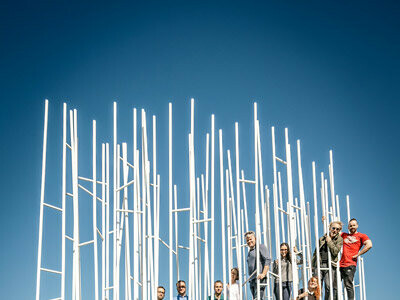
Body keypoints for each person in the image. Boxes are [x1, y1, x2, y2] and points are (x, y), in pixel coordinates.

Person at [339, 218, 372, 300]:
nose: (352, 227)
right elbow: (334, 231)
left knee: (348, 284)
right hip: (340, 264)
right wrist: (324, 220)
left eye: (354, 225)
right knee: (335, 285)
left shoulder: (361, 236)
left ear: (357, 226)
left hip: (350, 264)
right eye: (350, 225)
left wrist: (358, 254)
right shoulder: (344, 235)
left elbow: (369, 244)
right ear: (348, 227)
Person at [311, 221, 343, 300]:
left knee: (329, 286)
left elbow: (335, 252)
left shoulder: (339, 239)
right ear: (329, 228)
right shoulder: (322, 238)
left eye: (337, 229)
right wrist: (312, 264)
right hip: (319, 263)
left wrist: (329, 241)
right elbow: (316, 252)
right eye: (333, 228)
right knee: (317, 286)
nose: (335, 230)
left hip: (330, 265)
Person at [245, 231, 271, 300]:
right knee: (255, 298)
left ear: (255, 239)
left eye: (251, 239)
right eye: (247, 240)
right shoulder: (250, 252)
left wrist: (263, 274)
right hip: (252, 280)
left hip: (259, 278)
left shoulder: (260, 247)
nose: (249, 241)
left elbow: (268, 260)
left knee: (258, 298)